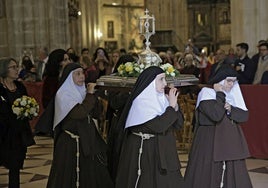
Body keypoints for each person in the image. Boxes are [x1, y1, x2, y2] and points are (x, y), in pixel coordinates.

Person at [184, 65, 252, 188]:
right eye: (229, 81)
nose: (231, 84)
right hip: (209, 141)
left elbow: (244, 116)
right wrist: (220, 93)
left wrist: (231, 109)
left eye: (234, 81)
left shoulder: (234, 94)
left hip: (230, 142)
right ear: (220, 80)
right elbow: (216, 115)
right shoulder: (206, 93)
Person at [115, 66, 184, 188]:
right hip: (146, 152)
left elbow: (178, 125)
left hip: (164, 151)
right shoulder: (141, 102)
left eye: (165, 79)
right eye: (161, 79)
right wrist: (171, 107)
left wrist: (175, 106)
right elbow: (159, 126)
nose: (165, 83)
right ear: (151, 82)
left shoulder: (163, 99)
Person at [47, 63, 113, 188]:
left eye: (82, 73)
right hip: (70, 143)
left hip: (87, 139)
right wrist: (89, 95)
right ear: (69, 78)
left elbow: (95, 114)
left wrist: (96, 97)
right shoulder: (63, 94)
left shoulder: (83, 91)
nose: (82, 76)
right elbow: (79, 113)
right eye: (77, 74)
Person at [0, 57, 35, 188]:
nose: (17, 70)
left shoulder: (20, 86)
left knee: (15, 166)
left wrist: (29, 110)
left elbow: (27, 102)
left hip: (18, 134)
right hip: (3, 133)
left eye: (17, 66)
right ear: (4, 69)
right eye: (13, 67)